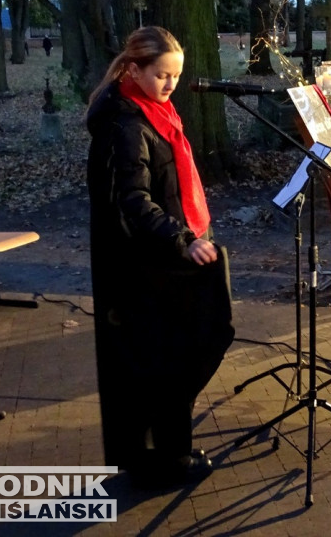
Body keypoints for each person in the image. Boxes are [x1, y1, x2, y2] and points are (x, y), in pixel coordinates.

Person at [86, 26, 234, 488]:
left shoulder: (154, 113)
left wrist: (191, 232)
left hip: (164, 254)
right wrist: (181, 240)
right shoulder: (124, 125)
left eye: (175, 75)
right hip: (143, 265)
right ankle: (162, 460)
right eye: (161, 75)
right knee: (164, 356)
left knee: (178, 351)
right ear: (133, 69)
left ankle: (171, 452)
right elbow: (130, 201)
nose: (170, 85)